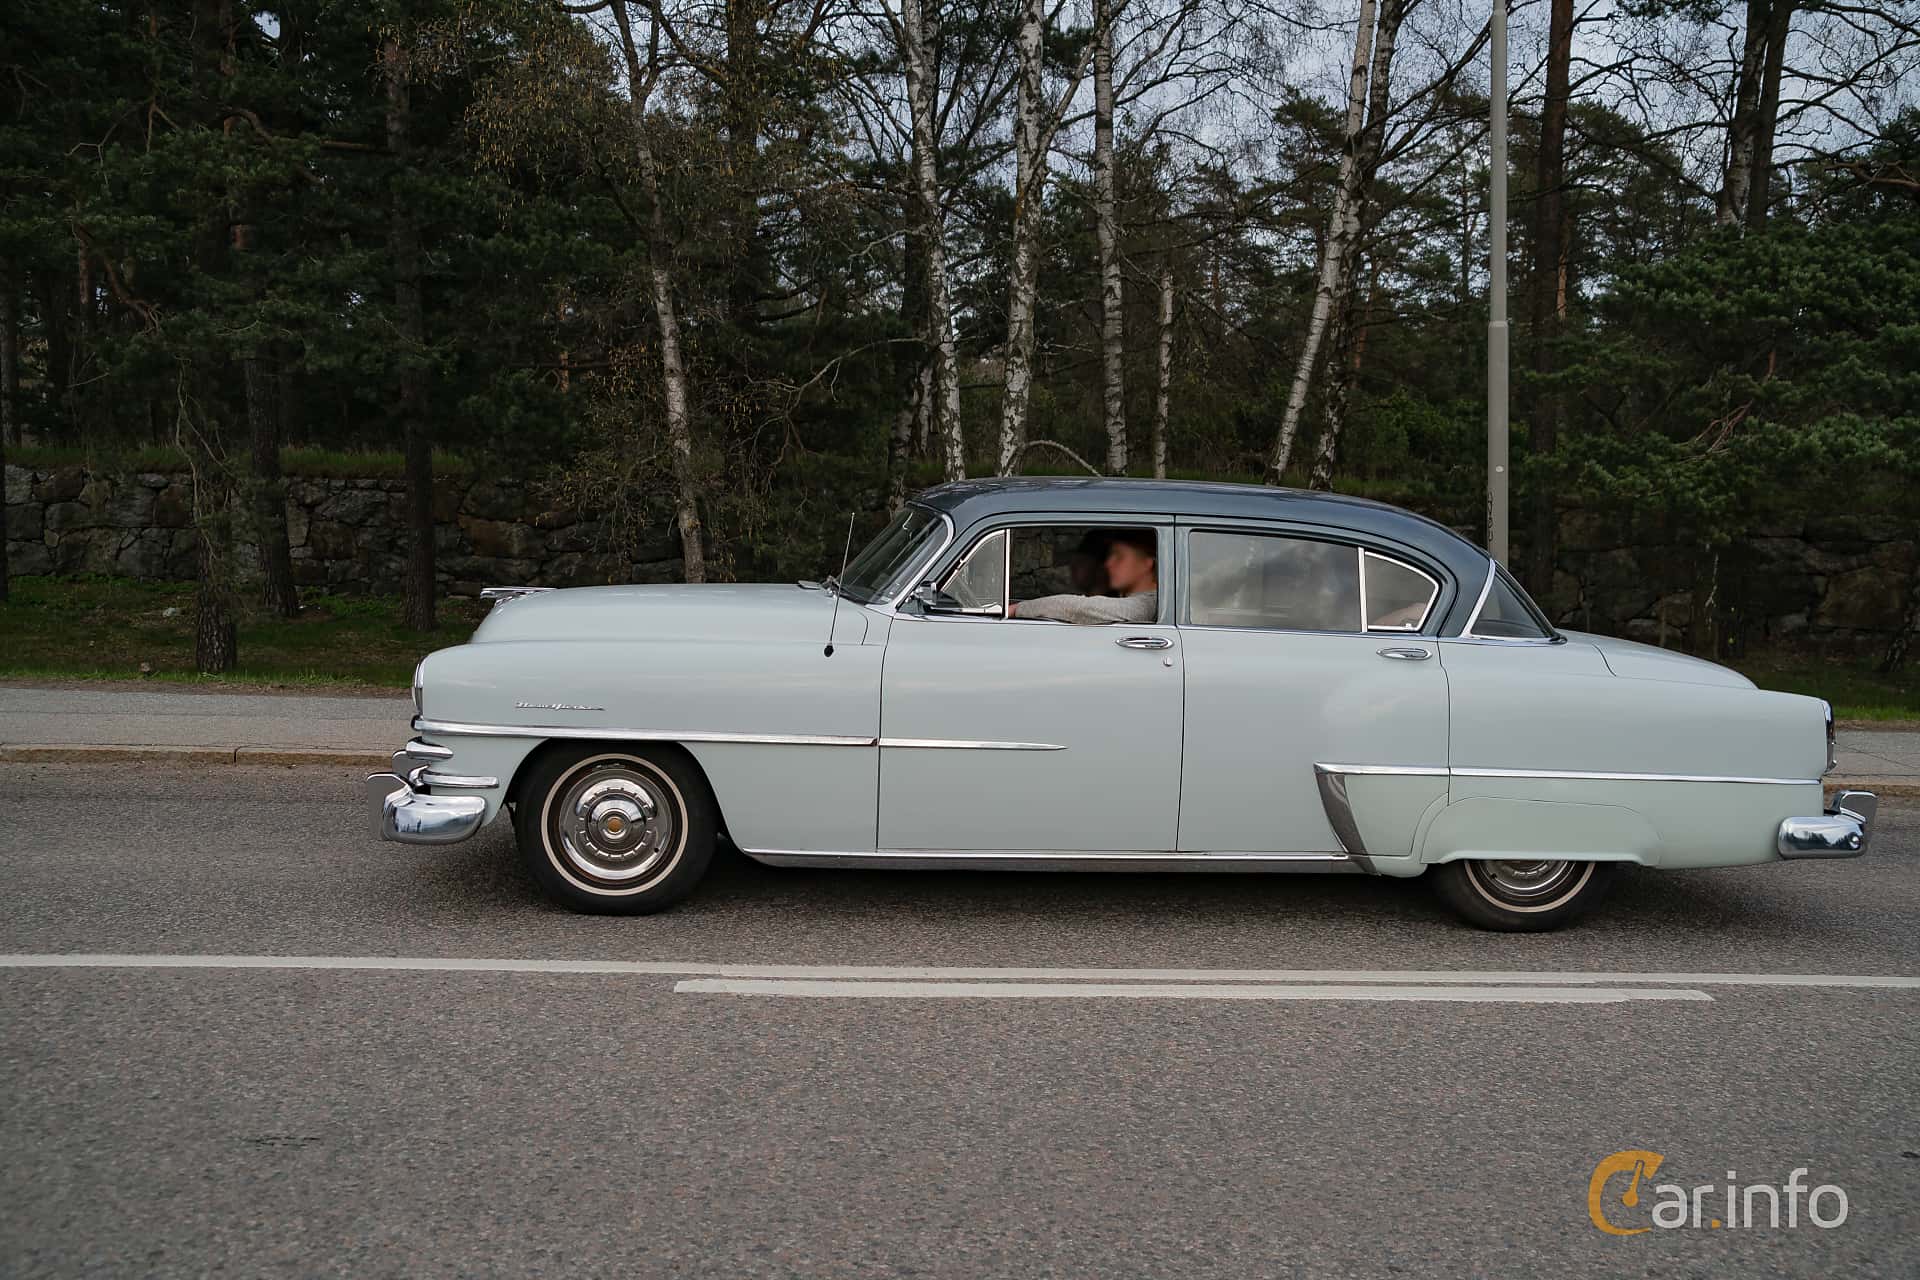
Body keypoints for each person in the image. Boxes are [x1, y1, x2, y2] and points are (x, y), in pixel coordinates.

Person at [1010, 529, 1158, 623]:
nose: (1107, 564)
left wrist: (1017, 609)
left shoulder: (1148, 605)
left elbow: (1079, 608)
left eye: (1118, 556)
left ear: (1147, 563)